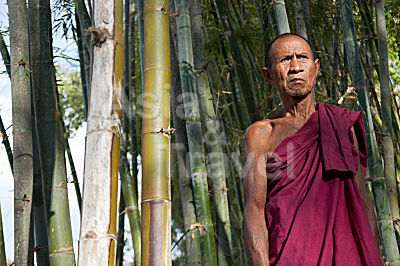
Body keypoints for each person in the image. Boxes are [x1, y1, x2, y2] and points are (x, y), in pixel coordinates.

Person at [243, 33, 381, 265]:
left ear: (315, 68)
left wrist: (372, 254)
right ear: (268, 75)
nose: (295, 67)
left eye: (302, 58)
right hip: (291, 257)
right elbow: (254, 211)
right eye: (285, 59)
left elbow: (362, 200)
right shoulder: (261, 135)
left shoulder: (340, 125)